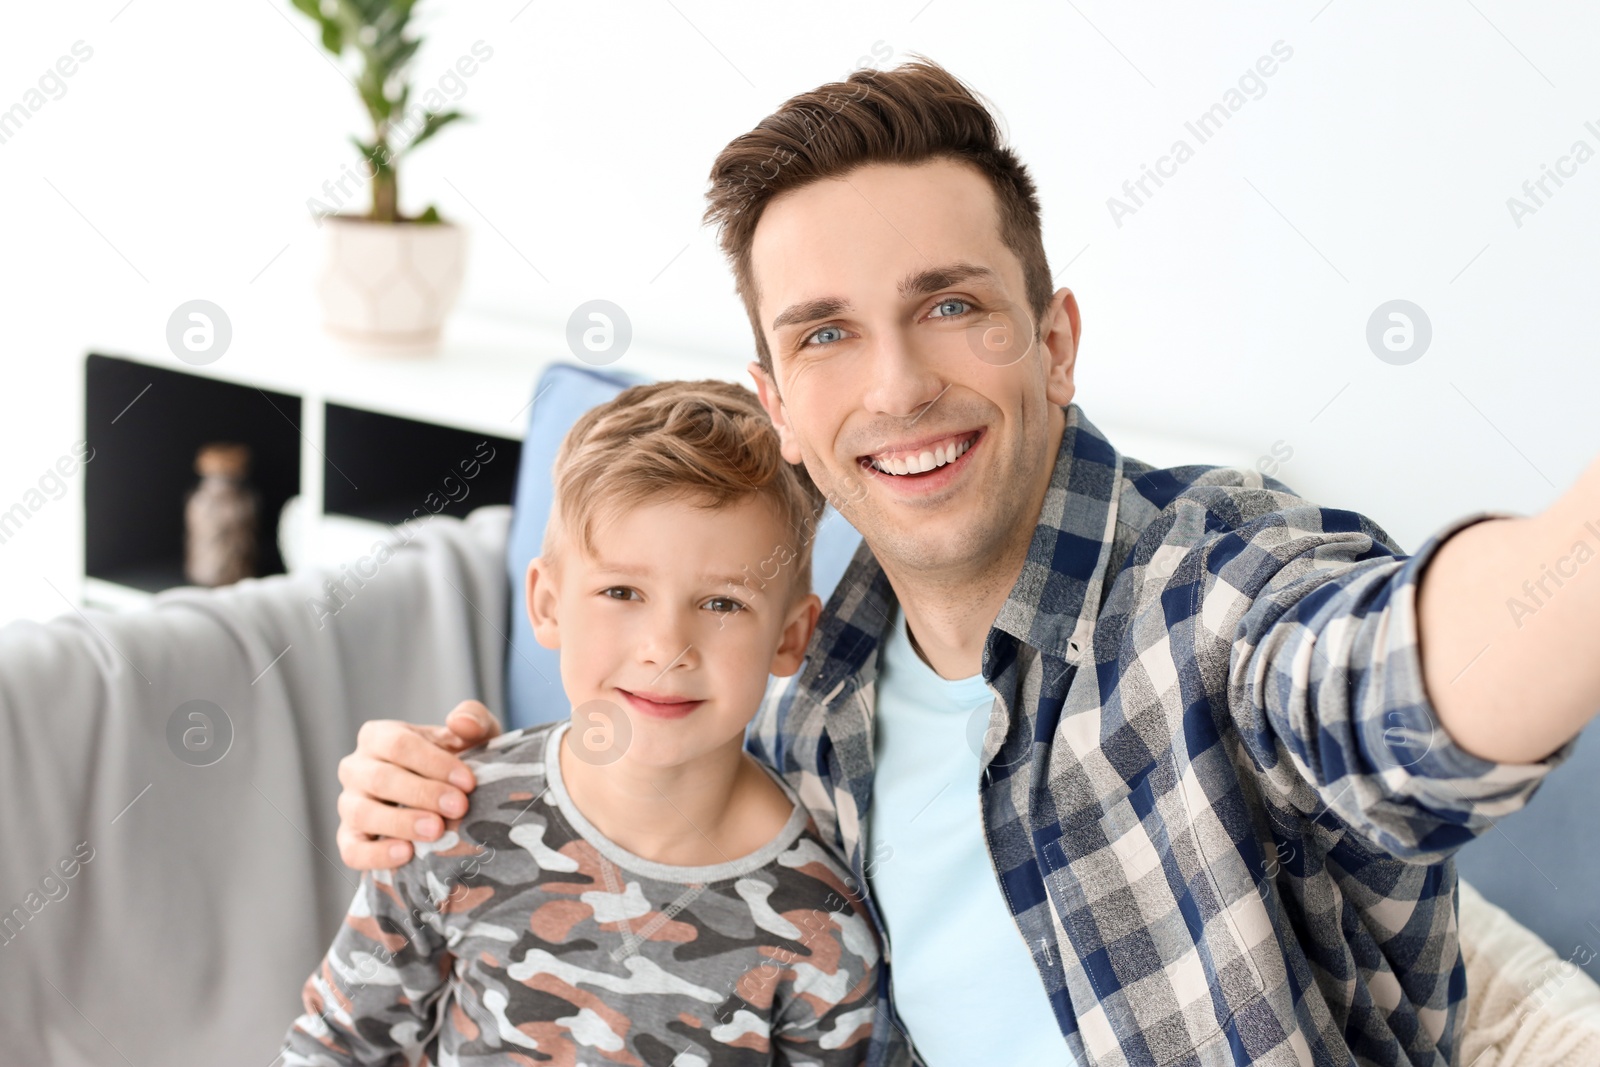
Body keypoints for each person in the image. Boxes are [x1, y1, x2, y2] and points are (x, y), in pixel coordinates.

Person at [329, 59, 1600, 1067]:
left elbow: (1398, 689)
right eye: (827, 332)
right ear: (778, 406)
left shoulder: (1206, 590)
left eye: (950, 305)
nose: (895, 385)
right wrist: (444, 787)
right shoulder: (820, 701)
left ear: (1053, 343)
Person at [283, 380, 882, 1066]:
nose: (665, 645)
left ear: (790, 636)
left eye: (721, 602)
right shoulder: (449, 818)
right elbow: (335, 1045)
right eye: (622, 591)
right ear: (547, 603)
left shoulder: (822, 927)